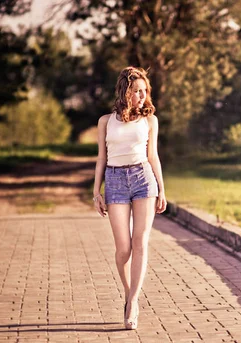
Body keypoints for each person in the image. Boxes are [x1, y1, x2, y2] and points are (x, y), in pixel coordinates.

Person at [92, 66, 167, 330]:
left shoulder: (150, 121)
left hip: (143, 179)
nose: (142, 96)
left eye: (145, 91)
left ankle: (133, 301)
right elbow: (102, 157)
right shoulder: (105, 122)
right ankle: (128, 290)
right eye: (137, 91)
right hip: (114, 181)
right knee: (123, 248)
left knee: (140, 243)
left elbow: (153, 156)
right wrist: (96, 192)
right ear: (126, 91)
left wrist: (162, 187)